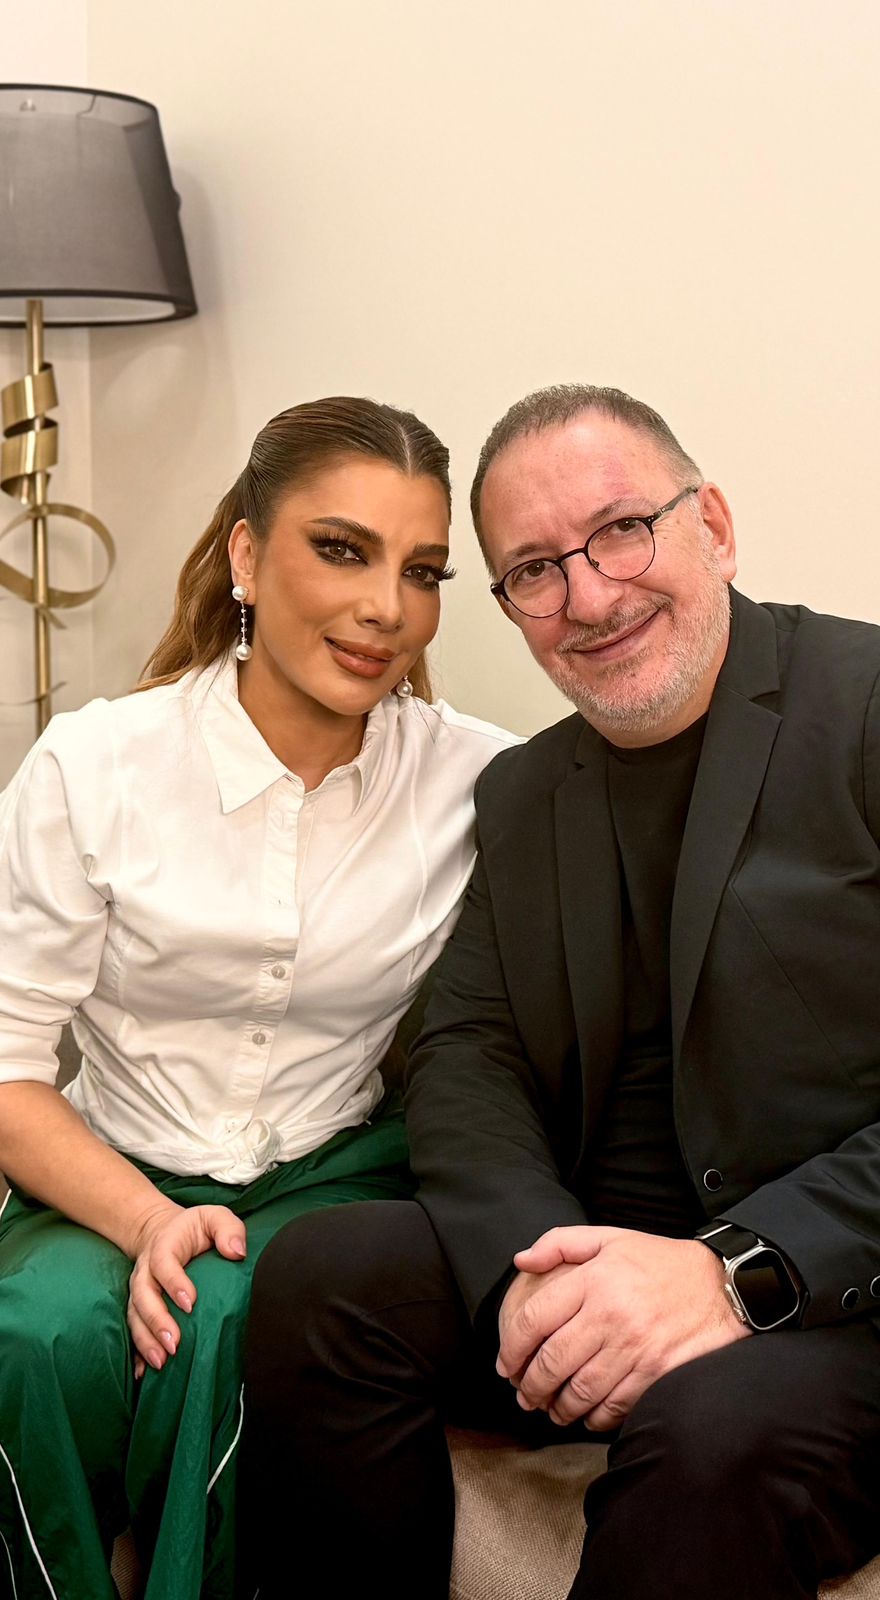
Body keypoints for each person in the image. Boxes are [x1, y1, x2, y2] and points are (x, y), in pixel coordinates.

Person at [243, 384, 880, 1600]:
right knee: (326, 1275)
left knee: (708, 1428)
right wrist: (538, 1280)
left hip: (840, 1298)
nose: (588, 597)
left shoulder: (863, 704)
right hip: (595, 1241)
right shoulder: (525, 791)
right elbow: (464, 1052)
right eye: (534, 569)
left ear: (713, 525)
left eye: (620, 531)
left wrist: (730, 1274)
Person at [0, 395, 517, 1600]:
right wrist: (145, 1220)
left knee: (229, 1320)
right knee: (34, 1336)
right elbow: (7, 1066)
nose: (387, 607)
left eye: (422, 570)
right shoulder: (95, 765)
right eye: (342, 549)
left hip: (334, 1176)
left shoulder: (481, 780)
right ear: (245, 553)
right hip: (107, 1169)